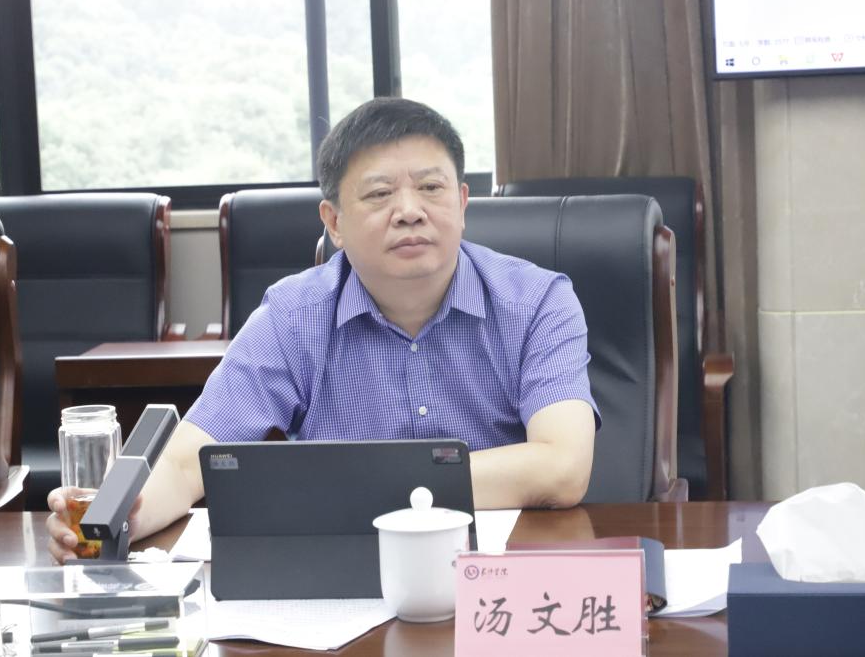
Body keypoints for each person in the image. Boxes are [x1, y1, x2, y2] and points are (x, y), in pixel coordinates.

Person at [48, 97, 600, 563]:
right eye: (379, 194)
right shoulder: (294, 315)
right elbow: (185, 460)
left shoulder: (537, 302)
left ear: (461, 203)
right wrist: (119, 518)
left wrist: (358, 488)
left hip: (498, 576)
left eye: (431, 188)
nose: (409, 210)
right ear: (334, 222)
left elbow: (563, 466)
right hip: (343, 573)